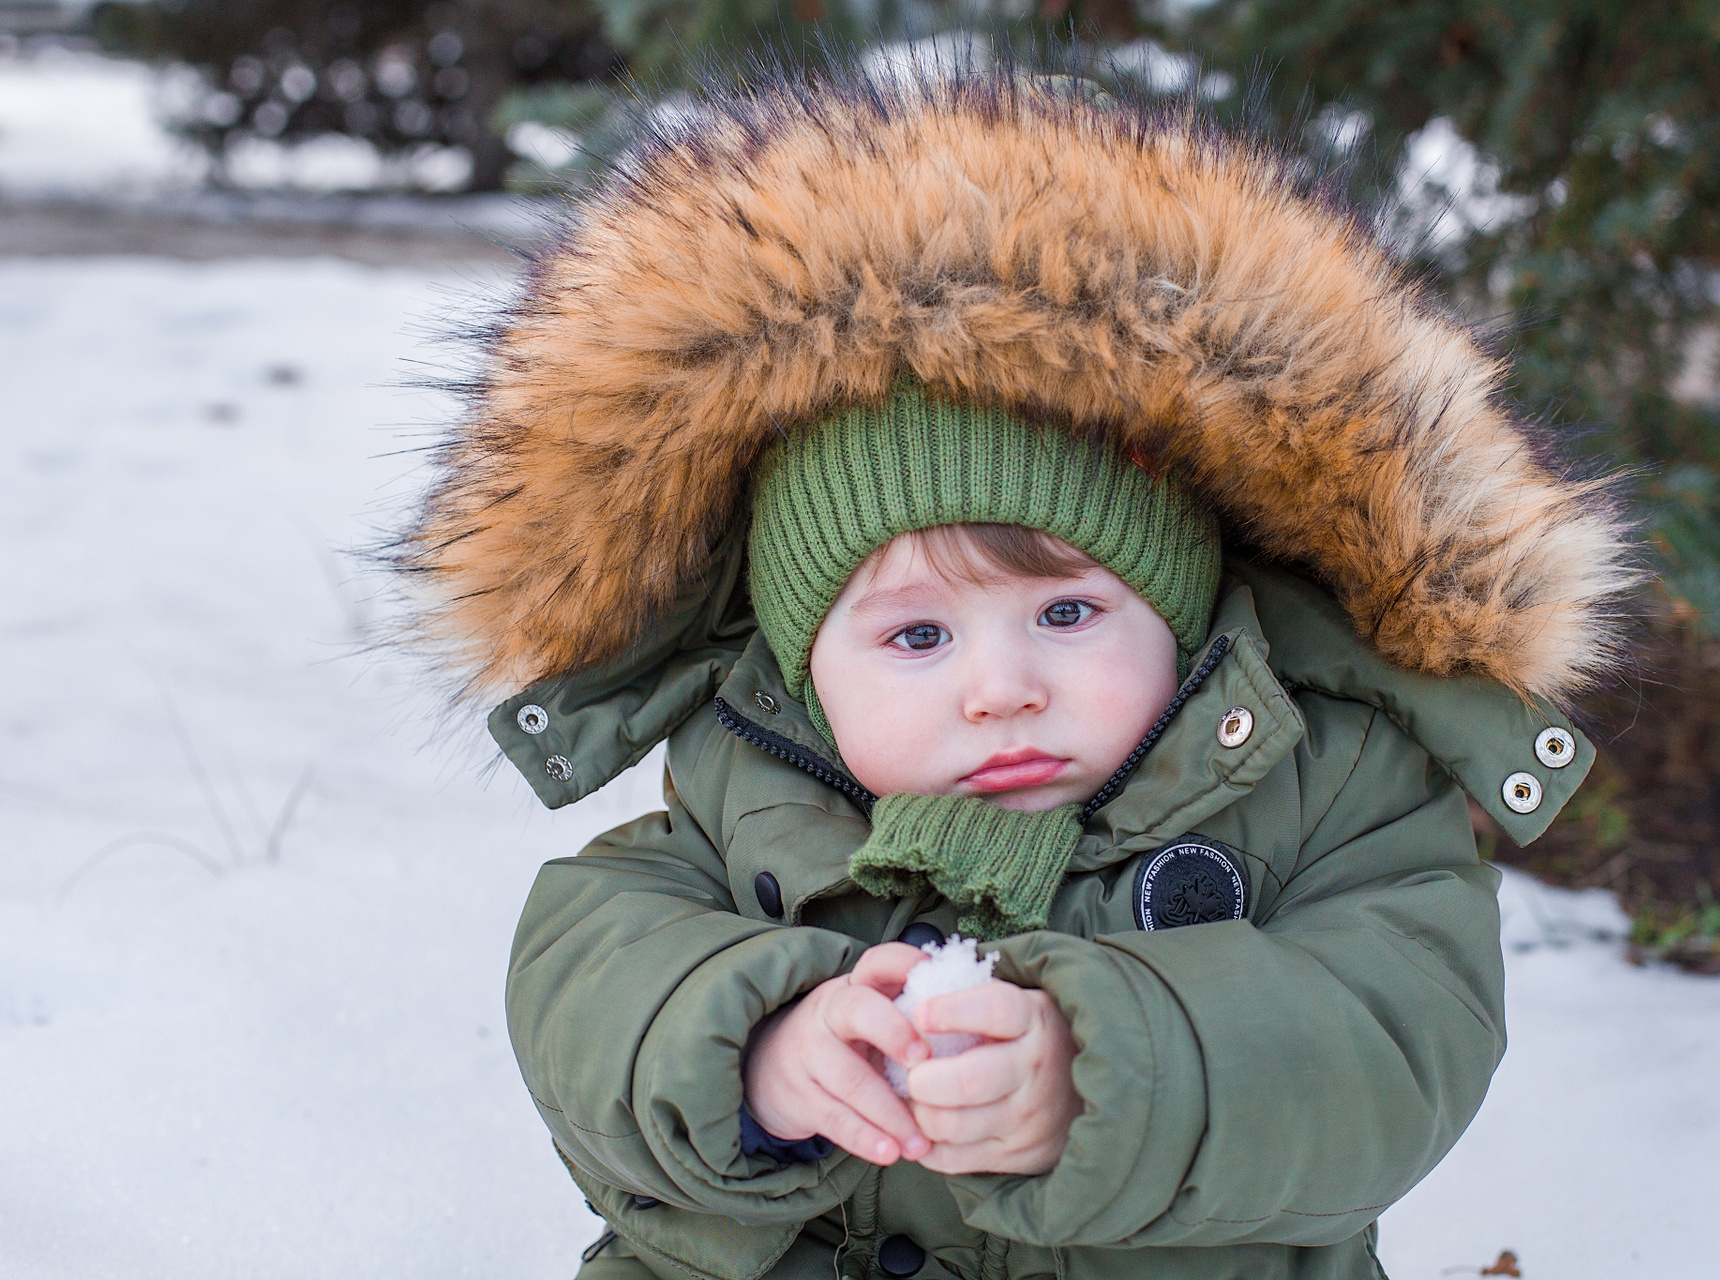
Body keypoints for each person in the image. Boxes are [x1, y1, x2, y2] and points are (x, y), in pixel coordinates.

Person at [400, 68, 1635, 1280]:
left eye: (1066, 610)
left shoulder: (1323, 784)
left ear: (1182, 613)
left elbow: (1399, 1033)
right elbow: (583, 979)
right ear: (802, 670)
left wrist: (1100, 1078)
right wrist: (755, 1051)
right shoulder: (743, 790)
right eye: (918, 637)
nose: (1002, 687)